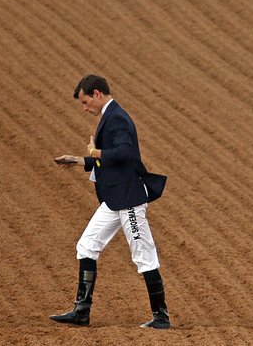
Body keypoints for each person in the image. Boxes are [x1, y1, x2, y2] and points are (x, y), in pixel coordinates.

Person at [52, 74, 169, 329]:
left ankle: (161, 317)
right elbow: (113, 160)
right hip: (115, 199)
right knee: (86, 246)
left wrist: (95, 152)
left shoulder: (116, 117)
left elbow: (126, 152)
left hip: (128, 199)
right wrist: (80, 159)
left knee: (144, 255)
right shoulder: (111, 116)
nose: (85, 109)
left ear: (96, 94)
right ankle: (81, 312)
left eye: (85, 102)